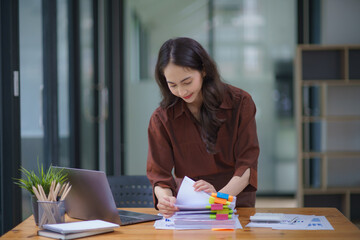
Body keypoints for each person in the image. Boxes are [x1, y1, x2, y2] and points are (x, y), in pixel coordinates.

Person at [146, 37, 259, 218]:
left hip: (232, 199)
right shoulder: (162, 118)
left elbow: (247, 165)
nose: (182, 92)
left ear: (203, 70)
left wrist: (217, 199)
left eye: (187, 82)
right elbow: (160, 175)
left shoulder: (240, 103)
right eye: (172, 85)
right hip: (188, 207)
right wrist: (166, 200)